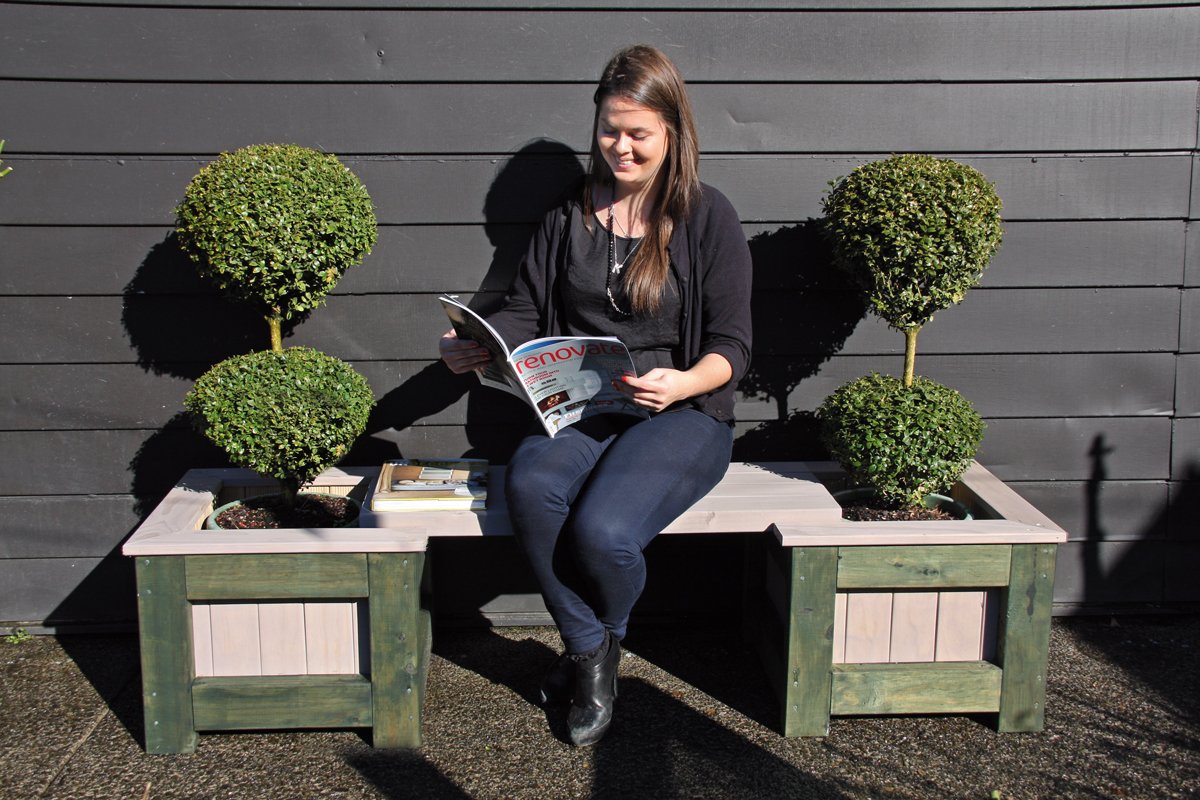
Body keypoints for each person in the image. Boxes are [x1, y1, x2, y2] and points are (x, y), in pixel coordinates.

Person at [439, 44, 752, 746]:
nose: (622, 147)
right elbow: (525, 310)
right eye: (611, 130)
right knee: (531, 484)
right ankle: (592, 654)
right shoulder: (570, 213)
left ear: (673, 131)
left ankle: (591, 649)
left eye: (639, 133)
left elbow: (733, 345)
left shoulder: (707, 216)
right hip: (583, 404)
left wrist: (683, 382)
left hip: (680, 413)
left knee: (603, 533)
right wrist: (477, 342)